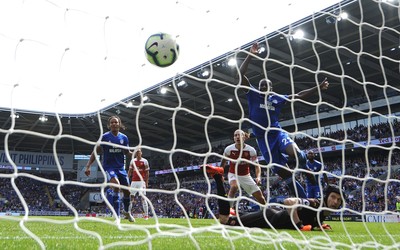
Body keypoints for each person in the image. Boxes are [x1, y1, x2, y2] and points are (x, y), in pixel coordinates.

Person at [238, 43, 329, 198]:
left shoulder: (277, 98)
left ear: (271, 88)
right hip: (264, 141)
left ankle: (306, 170)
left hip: (277, 134)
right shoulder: (252, 94)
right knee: (287, 176)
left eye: (266, 85)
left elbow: (298, 95)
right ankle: (305, 201)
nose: (263, 87)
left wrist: (318, 88)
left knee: (297, 154)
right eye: (261, 86)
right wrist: (251, 55)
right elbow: (240, 75)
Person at [205, 167, 342, 230]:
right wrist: (299, 225)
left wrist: (317, 225)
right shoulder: (315, 203)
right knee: (225, 221)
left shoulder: (323, 212)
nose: (335, 202)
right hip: (270, 218)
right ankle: (218, 177)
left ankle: (235, 212)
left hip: (274, 214)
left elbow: (309, 217)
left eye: (338, 200)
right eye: (333, 197)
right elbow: (289, 202)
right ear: (326, 197)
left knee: (232, 216)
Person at [85, 115, 134, 222]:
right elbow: (95, 151)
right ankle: (117, 216)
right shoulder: (105, 137)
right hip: (109, 168)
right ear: (109, 125)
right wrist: (88, 165)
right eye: (112, 122)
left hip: (121, 168)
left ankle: (127, 212)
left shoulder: (124, 138)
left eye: (116, 122)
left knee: (127, 192)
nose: (114, 124)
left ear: (119, 124)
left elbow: (126, 152)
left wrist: (134, 154)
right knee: (116, 185)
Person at [220, 129, 266, 215]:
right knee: (234, 186)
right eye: (235, 135)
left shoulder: (251, 150)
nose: (237, 137)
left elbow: (257, 166)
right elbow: (223, 163)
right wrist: (220, 175)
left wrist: (258, 176)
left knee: (261, 199)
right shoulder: (228, 149)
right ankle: (228, 212)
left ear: (244, 137)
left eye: (239, 135)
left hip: (246, 176)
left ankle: (265, 215)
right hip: (233, 174)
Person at [128, 148, 150, 220]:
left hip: (141, 182)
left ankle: (146, 215)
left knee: (143, 198)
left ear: (141, 153)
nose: (138, 153)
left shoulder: (145, 161)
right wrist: (128, 181)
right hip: (133, 182)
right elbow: (130, 171)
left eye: (139, 152)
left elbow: (147, 173)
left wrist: (146, 182)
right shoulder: (133, 161)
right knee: (131, 197)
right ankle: (128, 213)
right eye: (136, 152)